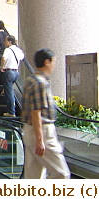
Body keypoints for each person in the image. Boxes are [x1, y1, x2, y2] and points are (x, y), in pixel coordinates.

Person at [21, 49, 70, 179]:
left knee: (33, 177)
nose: (54, 65)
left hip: (29, 131)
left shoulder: (30, 80)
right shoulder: (40, 83)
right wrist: (40, 139)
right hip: (42, 131)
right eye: (53, 62)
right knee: (62, 174)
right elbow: (36, 112)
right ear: (47, 62)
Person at [0, 35, 24, 117]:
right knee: (9, 90)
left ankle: (11, 112)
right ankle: (12, 107)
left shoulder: (7, 49)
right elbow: (22, 58)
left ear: (10, 42)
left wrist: (2, 67)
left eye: (5, 41)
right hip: (16, 72)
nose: (4, 42)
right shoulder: (19, 50)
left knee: (9, 92)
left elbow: (3, 58)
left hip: (8, 72)